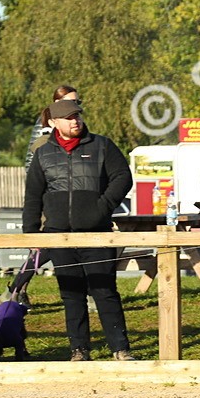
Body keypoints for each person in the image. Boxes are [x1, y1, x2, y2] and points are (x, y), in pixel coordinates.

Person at [23, 98, 135, 361]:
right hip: (58, 235)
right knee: (71, 295)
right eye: (69, 117)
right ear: (54, 122)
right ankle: (79, 350)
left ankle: (120, 349)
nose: (76, 121)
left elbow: (123, 177)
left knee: (105, 292)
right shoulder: (43, 153)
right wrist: (30, 234)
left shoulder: (102, 145)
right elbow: (32, 196)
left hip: (96, 234)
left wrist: (102, 206)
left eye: (78, 116)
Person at [24, 85, 80, 171]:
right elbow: (31, 156)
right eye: (72, 101)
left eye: (77, 102)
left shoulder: (77, 120)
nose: (75, 105)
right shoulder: (47, 116)